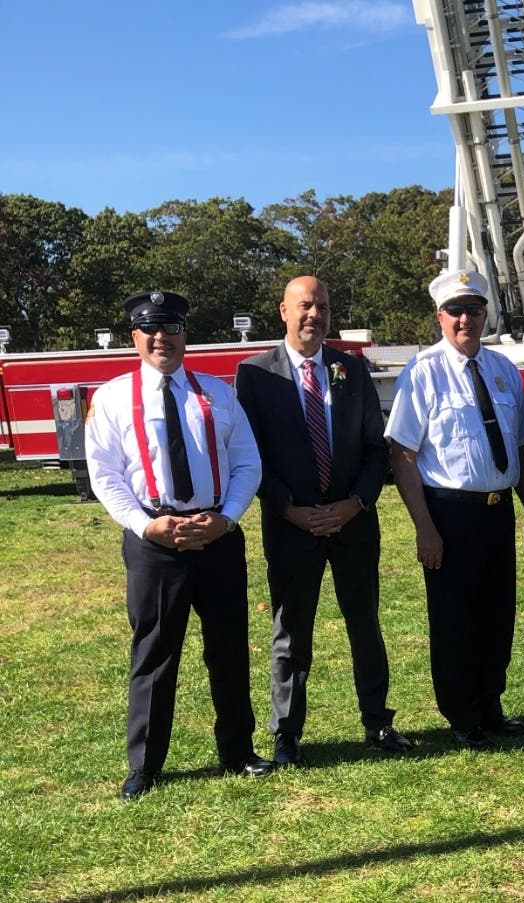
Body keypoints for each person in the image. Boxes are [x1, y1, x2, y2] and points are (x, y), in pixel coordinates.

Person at [85, 290, 273, 800]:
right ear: (135, 337)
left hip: (216, 537)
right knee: (154, 652)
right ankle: (144, 765)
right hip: (154, 541)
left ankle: (237, 750)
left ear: (185, 334)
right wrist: (144, 526)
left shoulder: (218, 392)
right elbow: (104, 474)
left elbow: (246, 462)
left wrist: (227, 518)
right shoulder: (112, 398)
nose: (160, 337)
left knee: (229, 649)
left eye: (170, 326)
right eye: (149, 328)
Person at [236, 276, 411, 765]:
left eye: (324, 307)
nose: (315, 315)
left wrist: (354, 504)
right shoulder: (254, 374)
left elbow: (377, 451)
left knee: (365, 625)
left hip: (353, 523)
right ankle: (286, 734)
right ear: (284, 312)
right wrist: (289, 508)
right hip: (291, 525)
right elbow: (250, 456)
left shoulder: (351, 371)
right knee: (291, 631)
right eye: (305, 306)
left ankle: (378, 722)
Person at [387, 270, 524, 750]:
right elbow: (403, 455)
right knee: (455, 621)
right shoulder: (423, 372)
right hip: (449, 516)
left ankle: (491, 705)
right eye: (456, 310)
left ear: (484, 315)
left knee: (497, 616)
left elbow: (521, 446)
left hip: (498, 513)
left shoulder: (502, 369)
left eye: (474, 310)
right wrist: (424, 529)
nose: (465, 319)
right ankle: (462, 715)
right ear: (440, 316)